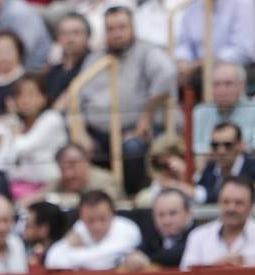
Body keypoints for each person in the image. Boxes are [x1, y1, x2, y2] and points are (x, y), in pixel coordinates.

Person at [75, 6, 175, 197]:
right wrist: (80, 131)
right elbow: (77, 96)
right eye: (111, 29)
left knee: (133, 148)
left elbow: (168, 73)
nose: (117, 34)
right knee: (71, 149)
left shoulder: (147, 53)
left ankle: (130, 200)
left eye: (122, 27)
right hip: (96, 133)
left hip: (134, 131)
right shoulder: (95, 58)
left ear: (133, 28)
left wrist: (146, 117)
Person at [0, 75, 67, 197]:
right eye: (20, 95)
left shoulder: (52, 118)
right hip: (17, 188)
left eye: (31, 94)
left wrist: (14, 131)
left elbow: (24, 147)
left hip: (50, 188)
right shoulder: (17, 123)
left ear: (44, 98)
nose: (25, 100)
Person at [44, 189, 142, 271]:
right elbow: (52, 260)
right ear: (82, 218)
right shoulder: (80, 227)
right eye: (90, 221)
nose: (97, 226)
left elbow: (102, 262)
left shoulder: (127, 229)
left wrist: (75, 253)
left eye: (102, 219)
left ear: (113, 215)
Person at [180, 177, 255, 271]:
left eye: (239, 203)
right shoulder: (198, 236)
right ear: (218, 202)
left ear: (251, 205)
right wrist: (217, 266)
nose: (231, 208)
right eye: (226, 202)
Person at [190, 63, 255, 159]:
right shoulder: (200, 112)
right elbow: (197, 150)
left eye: (228, 84)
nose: (222, 90)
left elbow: (251, 150)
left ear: (241, 85)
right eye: (216, 84)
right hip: (208, 168)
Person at [122, 188, 194, 272]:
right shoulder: (152, 234)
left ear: (188, 213)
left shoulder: (198, 235)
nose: (166, 221)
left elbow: (177, 255)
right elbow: (139, 253)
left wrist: (148, 259)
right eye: (161, 215)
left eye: (173, 213)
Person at [196, 123, 254, 206]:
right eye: (215, 145)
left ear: (240, 145)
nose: (221, 151)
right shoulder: (211, 167)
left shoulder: (252, 167)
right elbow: (202, 191)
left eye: (228, 145)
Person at [43, 12, 92, 107]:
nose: (70, 39)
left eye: (76, 33)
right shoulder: (52, 72)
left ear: (88, 35)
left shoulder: (94, 65)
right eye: (64, 34)